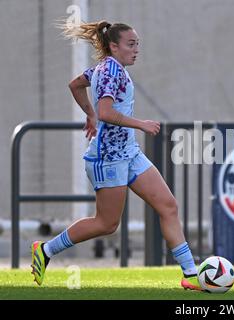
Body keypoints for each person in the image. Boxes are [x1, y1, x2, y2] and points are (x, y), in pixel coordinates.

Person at [31, 20, 202, 291]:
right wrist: (140, 124)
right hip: (107, 158)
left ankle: (191, 276)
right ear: (114, 46)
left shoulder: (108, 67)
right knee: (107, 224)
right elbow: (107, 113)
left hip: (128, 152)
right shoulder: (110, 70)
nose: (136, 50)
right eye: (131, 44)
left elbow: (76, 85)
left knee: (168, 205)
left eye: (138, 45)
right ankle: (46, 249)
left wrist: (89, 113)